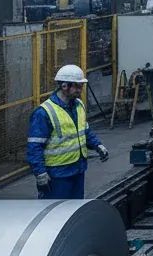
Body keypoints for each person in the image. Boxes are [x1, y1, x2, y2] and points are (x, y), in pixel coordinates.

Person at [26, 64, 108, 200]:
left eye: (81, 86)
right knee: (55, 214)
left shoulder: (79, 105)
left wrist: (97, 145)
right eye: (77, 86)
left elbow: (84, 130)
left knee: (74, 211)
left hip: (77, 169)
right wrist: (40, 173)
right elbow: (34, 147)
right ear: (64, 86)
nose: (80, 90)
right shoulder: (44, 112)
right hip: (57, 175)